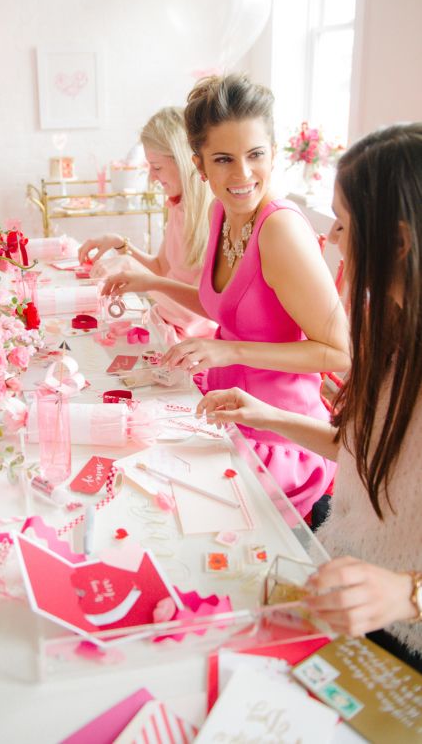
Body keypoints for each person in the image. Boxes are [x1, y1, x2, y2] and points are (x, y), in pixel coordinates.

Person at [196, 123, 422, 671]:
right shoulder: (393, 333)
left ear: (396, 242)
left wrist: (407, 594)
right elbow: (365, 453)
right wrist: (267, 416)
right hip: (340, 587)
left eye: (343, 224)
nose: (333, 240)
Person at [103, 75, 350, 517]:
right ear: (200, 166)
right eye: (223, 159)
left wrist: (227, 349)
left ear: (273, 154)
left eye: (255, 155)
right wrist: (153, 281)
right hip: (227, 412)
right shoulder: (223, 211)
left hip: (277, 440)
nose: (241, 175)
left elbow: (338, 353)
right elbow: (229, 310)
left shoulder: (280, 230)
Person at [78, 107, 216, 341]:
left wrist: (131, 267)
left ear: (184, 161)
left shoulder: (213, 218)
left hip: (194, 342)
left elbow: (193, 314)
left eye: (157, 167)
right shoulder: (177, 205)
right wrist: (122, 246)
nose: (152, 177)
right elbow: (162, 268)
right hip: (166, 326)